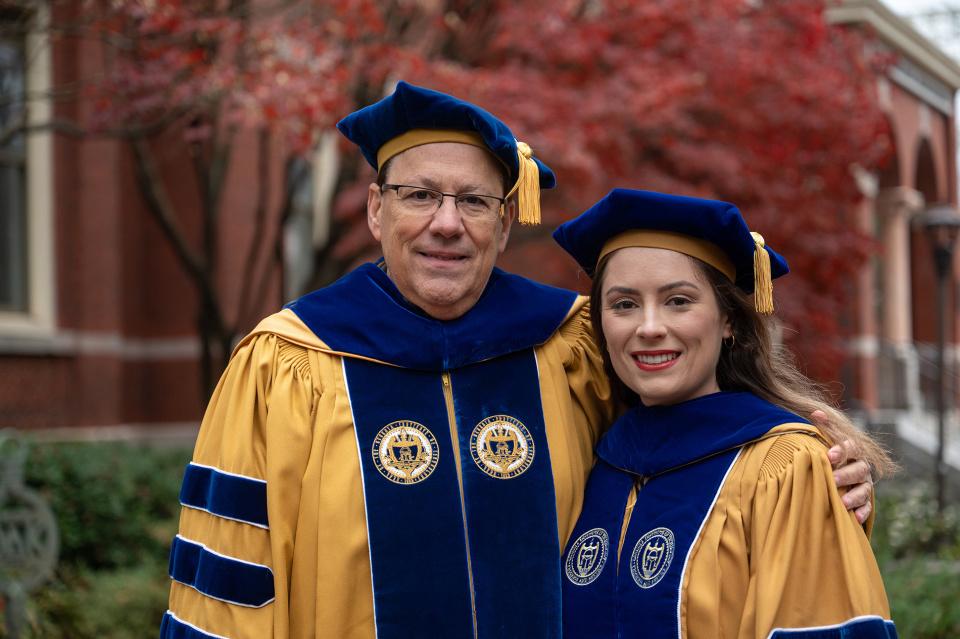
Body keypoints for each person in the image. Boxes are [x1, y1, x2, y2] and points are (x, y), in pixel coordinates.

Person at [160, 83, 874, 639]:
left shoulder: (570, 347)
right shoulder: (284, 365)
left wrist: (819, 488)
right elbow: (227, 591)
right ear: (377, 210)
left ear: (505, 222)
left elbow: (696, 451)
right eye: (419, 195)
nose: (447, 222)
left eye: (473, 200)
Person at [553, 188, 897, 639]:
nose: (649, 327)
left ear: (729, 320)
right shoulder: (593, 459)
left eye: (678, 300)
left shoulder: (787, 467)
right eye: (624, 304)